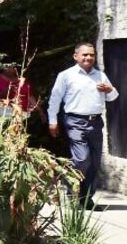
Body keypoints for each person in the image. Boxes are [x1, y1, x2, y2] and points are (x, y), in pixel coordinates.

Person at [48, 42, 119, 208]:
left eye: (91, 55)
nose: (88, 57)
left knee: (94, 162)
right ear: (76, 56)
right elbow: (55, 99)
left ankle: (86, 199)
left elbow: (113, 97)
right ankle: (71, 189)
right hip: (74, 121)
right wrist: (52, 121)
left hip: (95, 122)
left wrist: (110, 90)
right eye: (84, 54)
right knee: (81, 159)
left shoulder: (100, 76)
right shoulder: (66, 75)